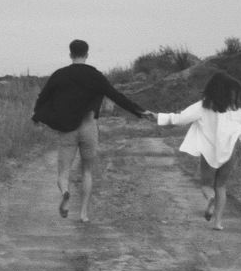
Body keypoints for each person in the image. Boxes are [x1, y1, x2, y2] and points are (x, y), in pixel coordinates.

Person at [32, 39, 152, 222]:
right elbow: (117, 96)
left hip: (67, 129)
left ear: (70, 54)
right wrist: (140, 111)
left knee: (63, 172)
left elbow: (43, 98)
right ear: (87, 54)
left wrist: (37, 117)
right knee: (87, 171)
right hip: (89, 126)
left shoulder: (59, 75)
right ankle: (83, 214)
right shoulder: (95, 76)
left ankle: (65, 192)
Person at [149, 71, 241, 231]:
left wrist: (156, 116)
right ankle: (218, 223)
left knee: (206, 185)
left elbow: (179, 119)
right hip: (228, 154)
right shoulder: (238, 109)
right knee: (221, 186)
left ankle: (210, 198)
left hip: (209, 154)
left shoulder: (203, 106)